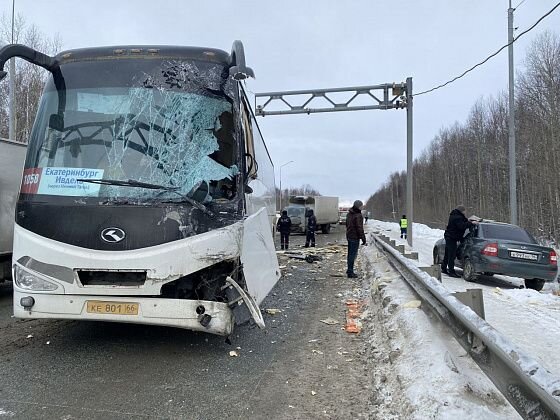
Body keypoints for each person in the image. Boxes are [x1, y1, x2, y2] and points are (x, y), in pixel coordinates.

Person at [441, 205, 477, 277]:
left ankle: (444, 268)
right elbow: (461, 226)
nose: (465, 212)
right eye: (464, 211)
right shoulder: (457, 217)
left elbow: (461, 221)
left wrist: (468, 221)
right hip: (452, 238)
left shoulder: (455, 215)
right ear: (462, 211)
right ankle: (451, 272)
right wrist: (471, 223)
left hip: (449, 236)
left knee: (448, 253)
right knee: (452, 255)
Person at [346, 200, 367, 278]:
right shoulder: (358, 215)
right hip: (354, 237)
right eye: (361, 206)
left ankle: (349, 269)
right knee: (353, 255)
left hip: (349, 236)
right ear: (358, 206)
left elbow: (347, 224)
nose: (362, 207)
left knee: (350, 254)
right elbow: (359, 228)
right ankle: (350, 272)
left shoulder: (349, 214)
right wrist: (363, 239)